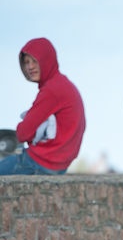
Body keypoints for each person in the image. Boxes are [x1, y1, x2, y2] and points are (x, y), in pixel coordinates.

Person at [0, 38, 85, 176]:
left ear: (47, 60)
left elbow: (22, 134)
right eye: (26, 62)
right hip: (59, 164)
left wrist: (28, 122)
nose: (30, 67)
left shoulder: (52, 90)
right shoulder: (63, 84)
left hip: (40, 162)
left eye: (35, 61)